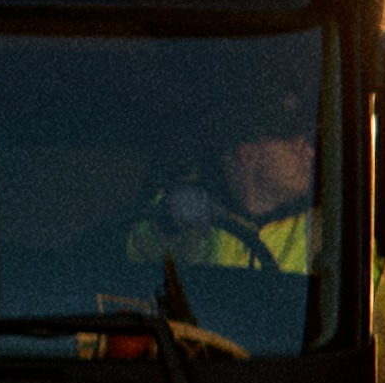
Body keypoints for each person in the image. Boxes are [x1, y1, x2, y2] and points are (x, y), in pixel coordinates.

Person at [132, 107, 331, 283]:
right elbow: (136, 260)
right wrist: (168, 226)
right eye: (295, 147)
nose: (310, 154)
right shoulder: (182, 207)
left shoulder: (324, 225)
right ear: (249, 155)